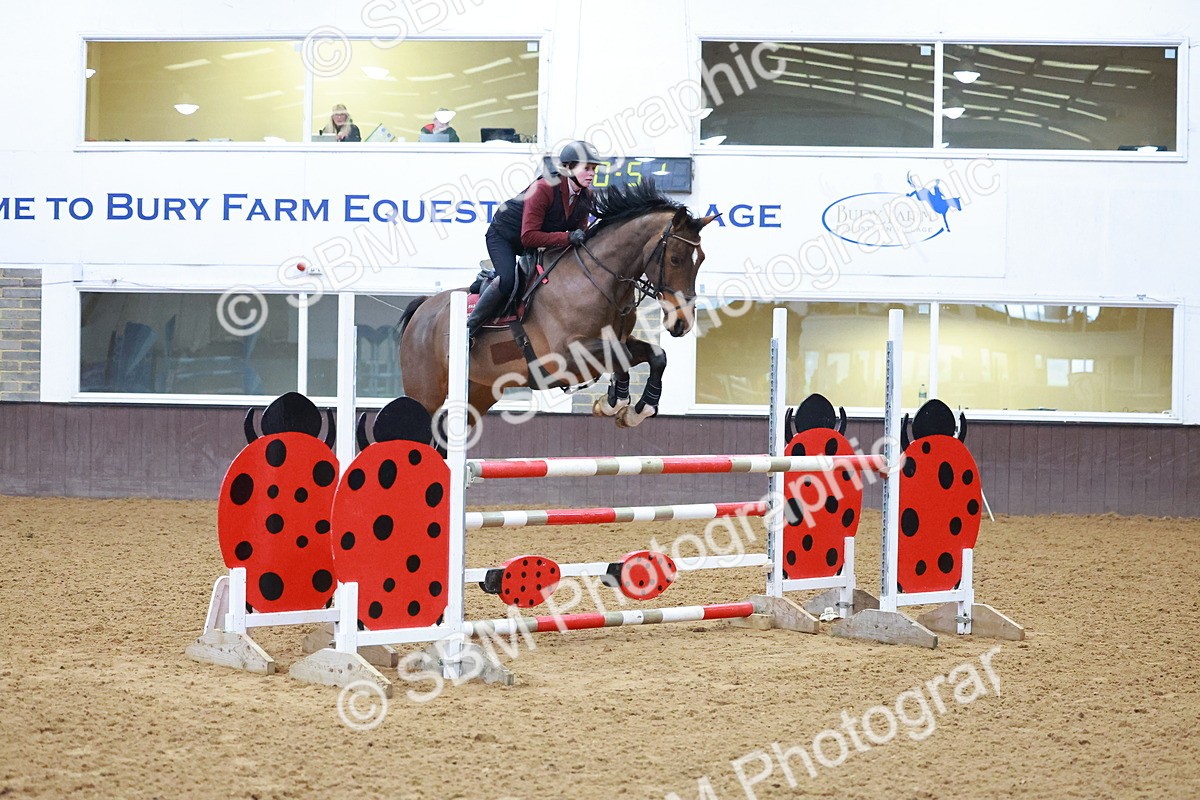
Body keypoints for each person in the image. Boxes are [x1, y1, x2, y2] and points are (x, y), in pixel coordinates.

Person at [465, 140, 601, 343]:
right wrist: (567, 237)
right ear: (568, 168)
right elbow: (528, 237)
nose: (591, 173)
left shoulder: (586, 196)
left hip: (538, 242)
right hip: (505, 236)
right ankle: (469, 329)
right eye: (586, 168)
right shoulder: (543, 188)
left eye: (593, 169)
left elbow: (579, 233)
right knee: (509, 281)